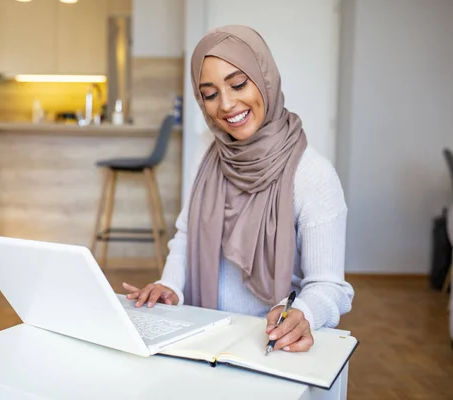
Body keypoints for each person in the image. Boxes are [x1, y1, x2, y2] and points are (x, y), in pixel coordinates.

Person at [122, 25, 354, 353]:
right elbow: (188, 233)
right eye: (210, 94)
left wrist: (302, 313)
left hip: (269, 347)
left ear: (265, 78)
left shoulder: (312, 174)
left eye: (238, 84)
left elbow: (329, 287)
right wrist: (169, 285)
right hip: (204, 338)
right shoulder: (208, 149)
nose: (227, 105)